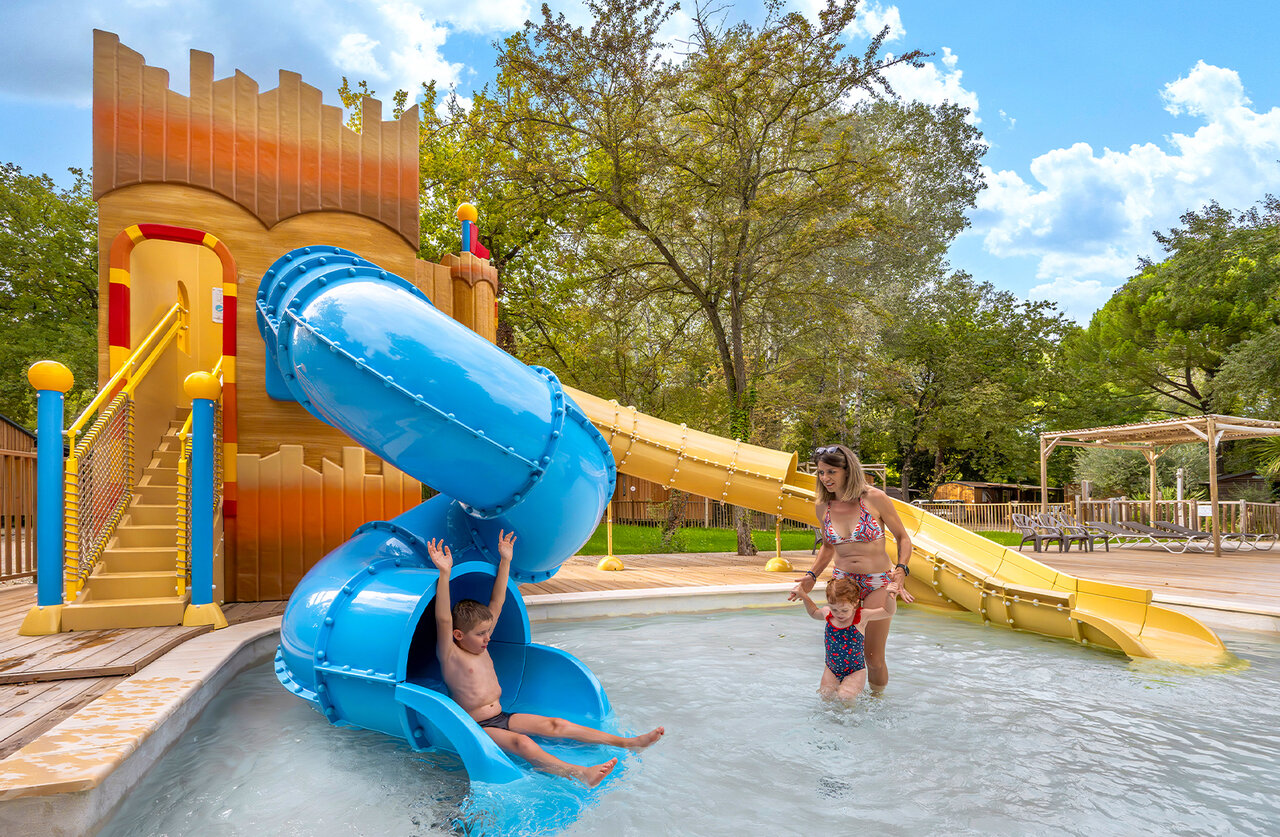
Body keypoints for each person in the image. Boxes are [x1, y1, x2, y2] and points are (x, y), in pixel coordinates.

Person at [427, 531, 664, 787]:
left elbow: (498, 601)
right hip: (478, 727)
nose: (488, 638)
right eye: (481, 634)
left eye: (488, 631)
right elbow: (443, 618)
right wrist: (444, 573)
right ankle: (579, 773)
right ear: (458, 634)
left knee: (555, 724)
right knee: (523, 742)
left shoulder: (480, 646)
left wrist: (505, 560)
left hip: (502, 715)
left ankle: (629, 743)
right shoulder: (451, 654)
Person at [790, 444, 914, 692]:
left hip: (878, 582)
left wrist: (901, 570)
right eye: (821, 473)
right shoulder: (822, 506)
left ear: (848, 470)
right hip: (843, 584)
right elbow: (827, 546)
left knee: (873, 657)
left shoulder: (874, 498)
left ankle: (877, 705)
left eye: (831, 472)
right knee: (841, 654)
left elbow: (903, 537)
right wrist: (811, 576)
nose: (825, 478)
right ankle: (843, 701)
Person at [793, 577, 898, 700]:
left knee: (846, 696)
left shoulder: (861, 616)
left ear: (855, 603)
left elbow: (887, 611)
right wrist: (803, 596)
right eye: (834, 609)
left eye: (844, 610)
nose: (839, 614)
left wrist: (890, 596)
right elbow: (814, 612)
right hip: (831, 669)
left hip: (855, 671)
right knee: (825, 695)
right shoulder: (828, 614)